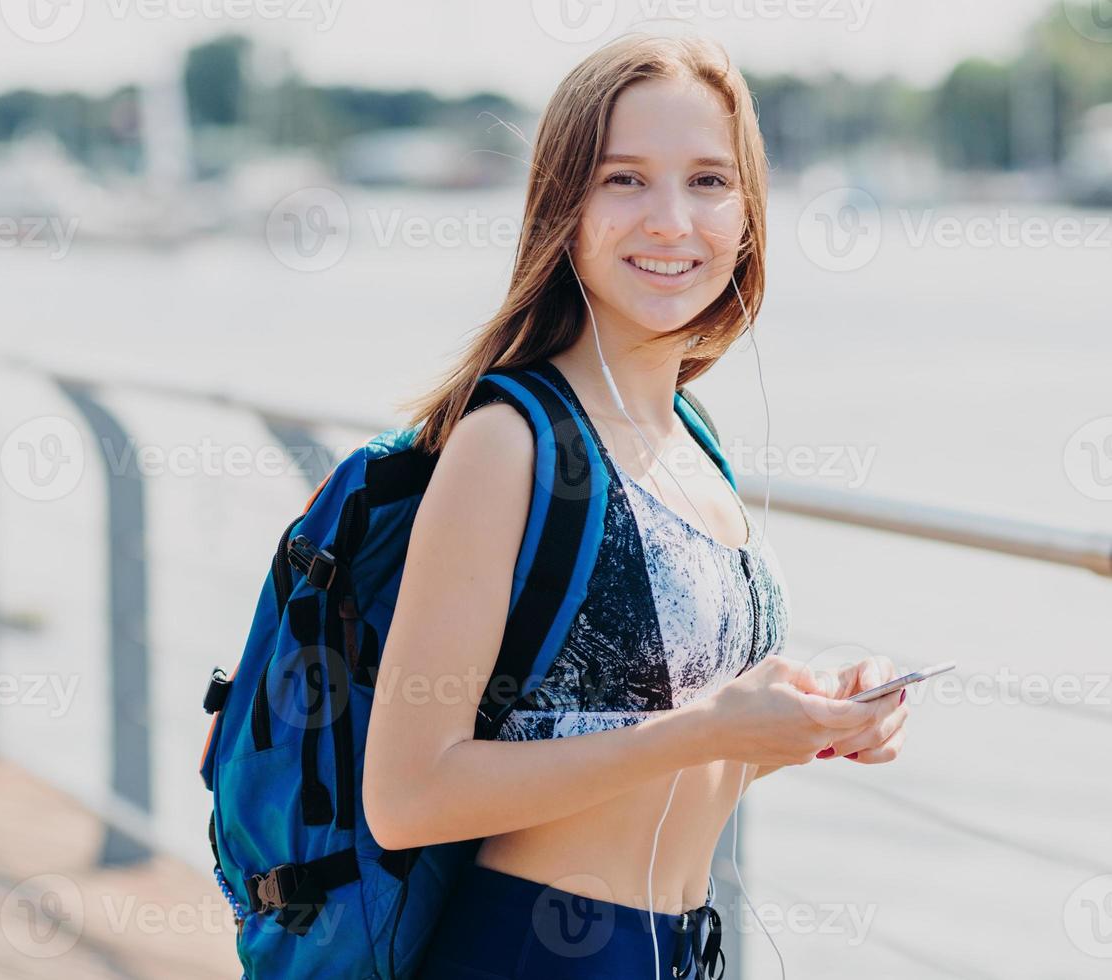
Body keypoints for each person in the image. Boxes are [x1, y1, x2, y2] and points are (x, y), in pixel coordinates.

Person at [362, 33, 910, 979]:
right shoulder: (513, 441)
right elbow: (408, 795)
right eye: (624, 180)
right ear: (562, 207)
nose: (671, 221)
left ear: (748, 212)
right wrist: (710, 729)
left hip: (679, 948)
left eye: (708, 181)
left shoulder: (692, 438)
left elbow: (661, 755)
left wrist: (808, 723)